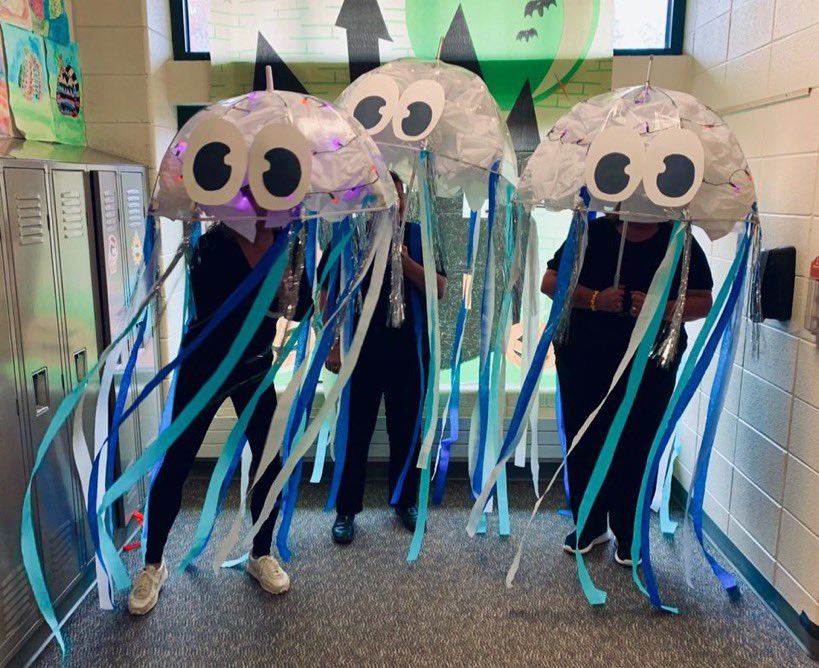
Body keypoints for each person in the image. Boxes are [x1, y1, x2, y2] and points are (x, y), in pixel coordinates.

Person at [128, 195, 311, 615]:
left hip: (254, 367)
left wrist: (289, 287)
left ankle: (260, 554)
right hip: (204, 367)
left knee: (270, 460)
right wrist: (275, 287)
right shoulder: (212, 244)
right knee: (176, 463)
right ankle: (153, 564)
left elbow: (302, 307)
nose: (268, 208)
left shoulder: (292, 243)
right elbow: (217, 308)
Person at [541, 214, 713, 566]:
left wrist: (657, 309)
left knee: (637, 447)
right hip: (584, 361)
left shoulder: (679, 241)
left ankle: (629, 532)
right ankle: (589, 526)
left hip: (649, 365)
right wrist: (594, 300)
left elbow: (702, 300)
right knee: (586, 441)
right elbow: (550, 282)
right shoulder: (591, 232)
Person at [319, 172, 447, 545]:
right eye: (380, 197)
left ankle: (405, 501)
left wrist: (404, 261)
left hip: (408, 353)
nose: (390, 204)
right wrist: (332, 345)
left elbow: (439, 289)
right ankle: (346, 510)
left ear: (405, 201)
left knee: (406, 430)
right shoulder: (349, 237)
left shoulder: (420, 236)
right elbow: (328, 295)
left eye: (396, 197)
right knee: (354, 432)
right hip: (360, 352)